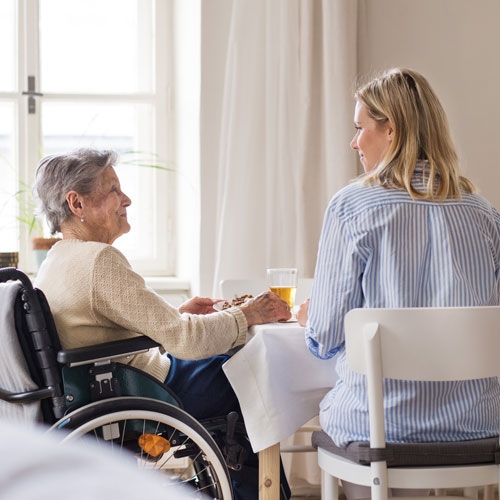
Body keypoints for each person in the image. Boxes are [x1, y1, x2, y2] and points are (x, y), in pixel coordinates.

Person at [33, 148, 291, 500]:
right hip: (146, 392)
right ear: (76, 204)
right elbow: (185, 339)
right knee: (251, 371)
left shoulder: (58, 260)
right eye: (113, 190)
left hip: (113, 385)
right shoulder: (99, 261)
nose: (127, 199)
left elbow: (101, 328)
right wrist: (249, 314)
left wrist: (178, 312)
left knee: (233, 368)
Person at [297, 68, 500, 499]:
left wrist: (311, 318)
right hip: (478, 424)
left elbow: (327, 337)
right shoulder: (484, 214)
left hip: (380, 428)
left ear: (390, 128)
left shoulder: (352, 207)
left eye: (360, 129)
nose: (354, 142)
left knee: (345, 409)